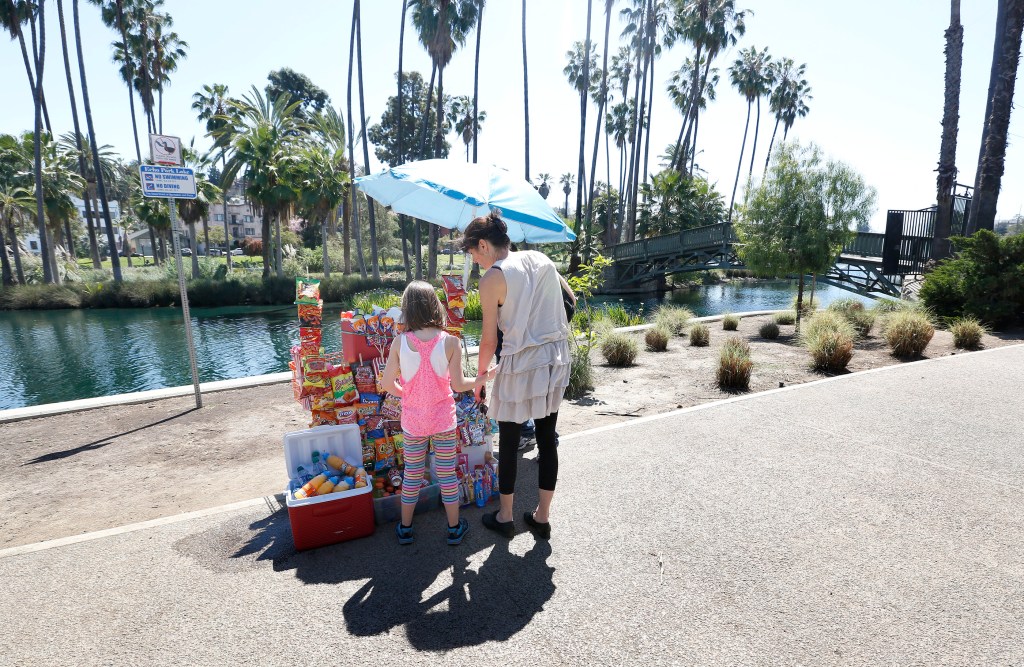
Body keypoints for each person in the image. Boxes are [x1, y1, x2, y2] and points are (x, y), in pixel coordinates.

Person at [463, 210, 575, 540]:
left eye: (472, 253)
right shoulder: (541, 259)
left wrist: (480, 378)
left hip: (520, 364)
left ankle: (506, 515)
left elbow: (488, 339)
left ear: (482, 245)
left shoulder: (492, 278)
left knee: (509, 443)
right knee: (546, 437)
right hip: (554, 359)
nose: (474, 261)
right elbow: (569, 300)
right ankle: (542, 516)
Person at [382, 280, 496, 546]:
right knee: (446, 474)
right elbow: (458, 386)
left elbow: (387, 385)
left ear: (407, 309)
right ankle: (454, 528)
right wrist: (483, 378)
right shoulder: (450, 342)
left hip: (413, 421)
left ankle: (405, 528)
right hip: (443, 420)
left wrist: (407, 393)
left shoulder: (400, 342)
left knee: (411, 474)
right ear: (435, 305)